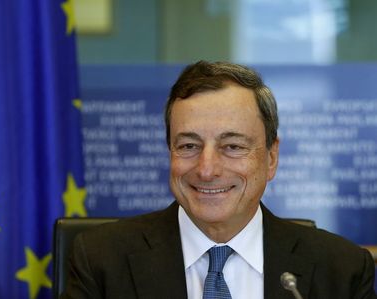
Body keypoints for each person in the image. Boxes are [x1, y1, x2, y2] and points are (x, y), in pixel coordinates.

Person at [61, 61, 376, 299]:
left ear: (271, 157)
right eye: (188, 146)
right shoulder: (101, 260)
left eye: (233, 146)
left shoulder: (342, 270)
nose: (206, 169)